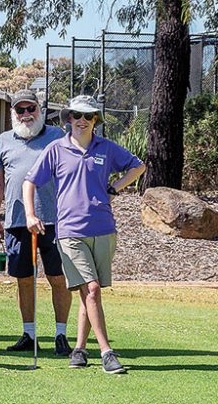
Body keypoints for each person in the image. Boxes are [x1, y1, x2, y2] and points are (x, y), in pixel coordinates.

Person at [25, 95, 145, 374]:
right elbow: (30, 181)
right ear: (68, 119)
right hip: (69, 232)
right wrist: (31, 215)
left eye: (88, 116)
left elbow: (138, 166)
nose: (82, 120)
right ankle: (106, 352)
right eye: (76, 115)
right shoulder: (56, 149)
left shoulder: (106, 148)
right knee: (90, 289)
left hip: (103, 229)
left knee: (88, 293)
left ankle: (79, 349)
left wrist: (116, 188)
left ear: (95, 120)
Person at [0, 89, 71, 356]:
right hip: (16, 221)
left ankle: (61, 335)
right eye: (20, 110)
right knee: (24, 279)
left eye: (30, 109)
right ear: (13, 113)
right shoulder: (3, 140)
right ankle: (29, 334)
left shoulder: (57, 136)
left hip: (53, 220)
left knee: (58, 278)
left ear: (40, 110)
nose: (26, 115)